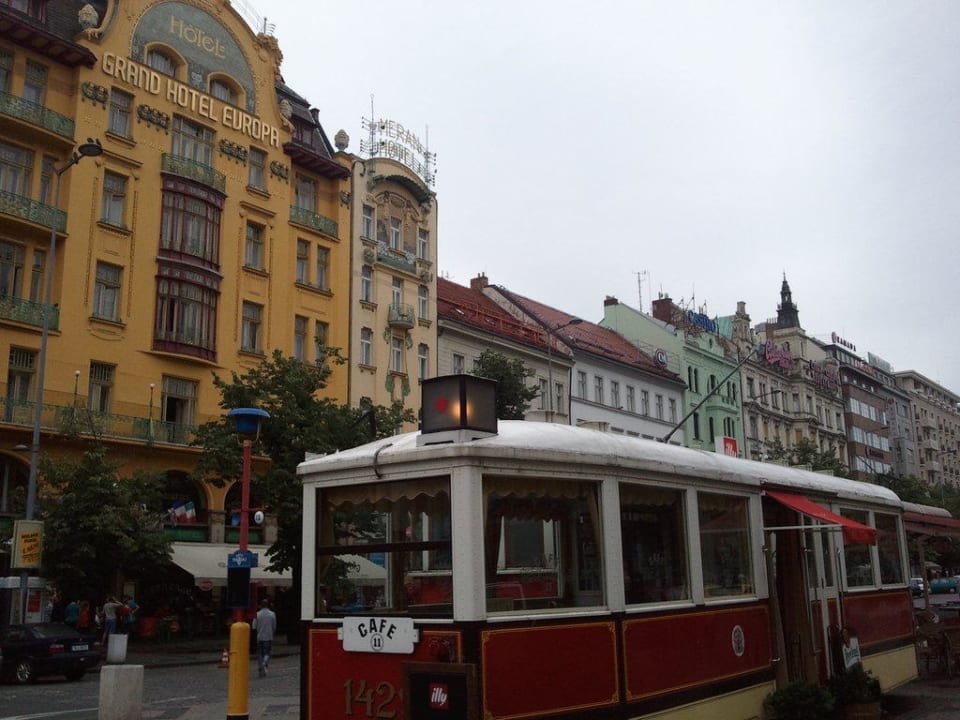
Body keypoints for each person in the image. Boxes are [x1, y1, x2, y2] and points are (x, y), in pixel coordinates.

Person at [252, 598, 277, 677]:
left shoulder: (257, 614)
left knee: (260, 653)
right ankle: (265, 663)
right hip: (269, 636)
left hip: (260, 636)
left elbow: (254, 626)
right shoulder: (272, 614)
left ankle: (260, 666)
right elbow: (274, 626)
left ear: (260, 606)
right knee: (267, 652)